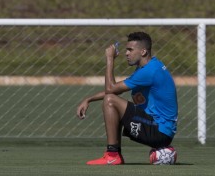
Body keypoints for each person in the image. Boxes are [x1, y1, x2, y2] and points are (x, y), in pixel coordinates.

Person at [76, 32, 178, 165]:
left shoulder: (149, 71)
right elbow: (115, 89)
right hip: (159, 129)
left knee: (110, 101)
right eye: (126, 50)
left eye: (130, 50)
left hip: (158, 131)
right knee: (111, 99)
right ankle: (114, 155)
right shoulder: (149, 67)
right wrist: (89, 99)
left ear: (143, 52)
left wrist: (109, 59)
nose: (126, 53)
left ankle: (112, 155)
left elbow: (110, 90)